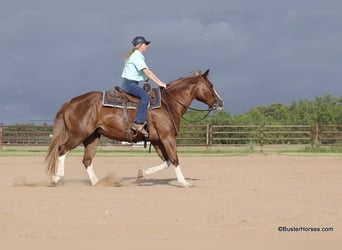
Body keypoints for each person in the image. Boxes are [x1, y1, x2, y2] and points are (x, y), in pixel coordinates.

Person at [121, 36, 167, 137]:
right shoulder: (136, 56)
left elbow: (144, 73)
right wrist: (160, 83)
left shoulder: (136, 56)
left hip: (131, 83)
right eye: (145, 44)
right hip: (130, 84)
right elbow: (147, 72)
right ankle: (138, 123)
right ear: (140, 45)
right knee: (145, 96)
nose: (146, 46)